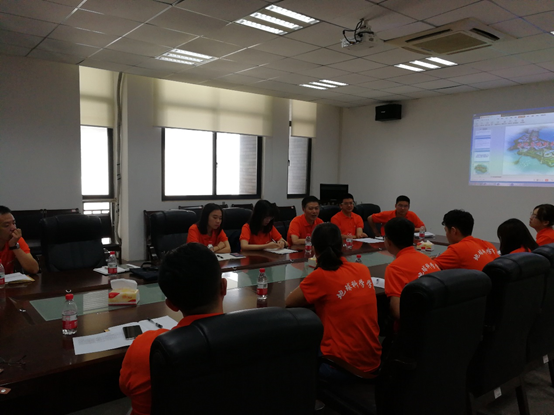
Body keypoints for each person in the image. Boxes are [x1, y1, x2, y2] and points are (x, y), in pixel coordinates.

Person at [119, 243, 227, 415]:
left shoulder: (148, 348)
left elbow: (126, 389)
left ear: (171, 305)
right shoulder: (254, 334)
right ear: (224, 286)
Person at [286, 223, 381, 378]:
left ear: (314, 249)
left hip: (339, 366)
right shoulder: (362, 269)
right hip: (373, 361)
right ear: (341, 245)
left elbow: (289, 302)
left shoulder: (321, 276)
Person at [384, 217, 440, 323]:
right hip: (437, 319)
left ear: (388, 242)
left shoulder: (395, 268)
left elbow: (397, 312)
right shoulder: (426, 258)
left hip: (416, 326)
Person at [434, 209, 498, 271]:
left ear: (453, 231)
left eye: (446, 230)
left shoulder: (457, 250)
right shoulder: (488, 245)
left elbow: (430, 267)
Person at [0, 206, 39, 274]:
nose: (13, 228)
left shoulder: (15, 239)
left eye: (14, 223)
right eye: (6, 225)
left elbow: (34, 269)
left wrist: (14, 246)